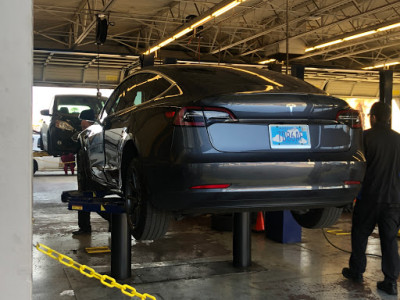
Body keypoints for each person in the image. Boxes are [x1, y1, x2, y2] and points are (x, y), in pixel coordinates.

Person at [342, 102, 400, 296]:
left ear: (373, 117)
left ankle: (357, 271)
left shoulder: (365, 138)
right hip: (393, 201)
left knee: (360, 234)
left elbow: (356, 168)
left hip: (368, 198)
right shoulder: (399, 140)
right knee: (390, 241)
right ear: (389, 117)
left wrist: (351, 194)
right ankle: (391, 282)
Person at [73, 108, 110, 235]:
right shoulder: (84, 135)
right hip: (85, 176)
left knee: (96, 203)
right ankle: (84, 228)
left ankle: (114, 220)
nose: (80, 123)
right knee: (85, 201)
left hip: (93, 176)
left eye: (82, 121)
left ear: (87, 121)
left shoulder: (94, 135)